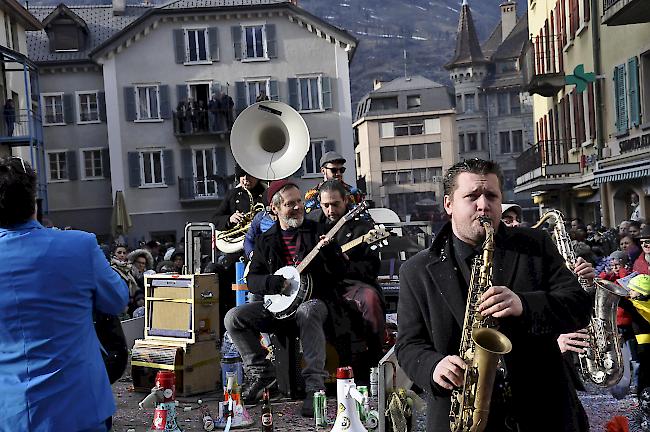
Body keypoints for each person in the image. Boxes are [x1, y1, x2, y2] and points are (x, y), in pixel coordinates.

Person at [395, 158, 591, 431]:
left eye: (491, 196)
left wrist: (524, 304)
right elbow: (408, 344)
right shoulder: (416, 271)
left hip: (543, 412)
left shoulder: (535, 246)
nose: (483, 205)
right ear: (448, 204)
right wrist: (434, 366)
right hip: (463, 414)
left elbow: (580, 306)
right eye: (472, 196)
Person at [0, 156, 129, 431]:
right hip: (80, 407)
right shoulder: (79, 246)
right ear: (34, 201)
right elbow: (117, 298)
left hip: (10, 413)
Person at [223, 179, 353, 416]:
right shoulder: (265, 240)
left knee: (308, 310)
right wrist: (274, 283)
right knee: (233, 317)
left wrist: (331, 253)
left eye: (299, 201)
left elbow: (340, 274)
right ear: (275, 209)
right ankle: (261, 373)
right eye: (290, 204)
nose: (298, 207)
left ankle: (315, 387)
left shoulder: (317, 231)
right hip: (277, 308)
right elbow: (252, 280)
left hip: (315, 303)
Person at [307, 179, 385, 363]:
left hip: (352, 283)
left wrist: (345, 263)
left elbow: (371, 268)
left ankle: (375, 357)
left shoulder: (363, 228)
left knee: (370, 300)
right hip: (318, 285)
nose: (330, 210)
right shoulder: (311, 224)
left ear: (346, 201)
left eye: (335, 204)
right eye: (326, 205)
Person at [213, 165, 266, 326]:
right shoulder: (233, 194)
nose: (245, 180)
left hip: (259, 249)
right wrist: (230, 219)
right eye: (241, 176)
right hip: (236, 250)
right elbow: (216, 219)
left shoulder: (266, 194)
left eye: (248, 176)